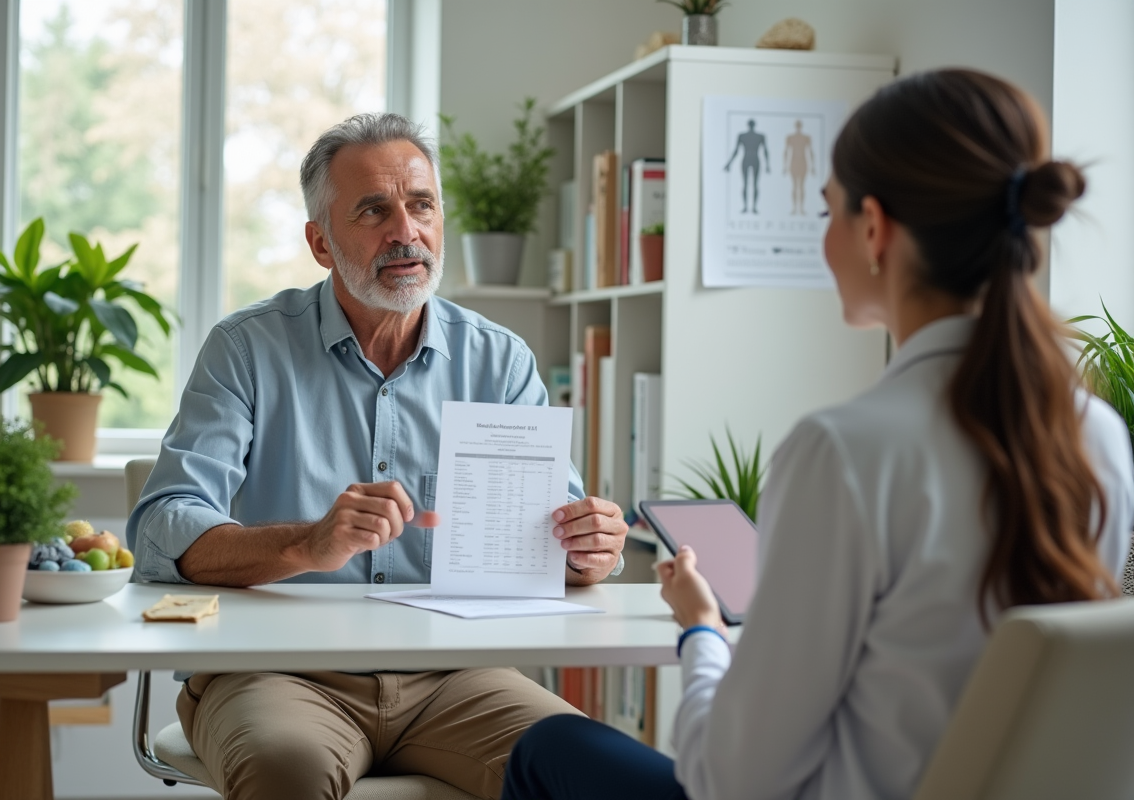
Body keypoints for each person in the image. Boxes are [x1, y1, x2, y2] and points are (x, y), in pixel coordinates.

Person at [501, 68, 1134, 800]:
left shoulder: (847, 450)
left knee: (547, 745)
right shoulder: (1100, 438)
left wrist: (702, 632)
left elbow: (730, 780)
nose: (823, 237)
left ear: (875, 228)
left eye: (825, 212)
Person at [128, 112, 628, 800]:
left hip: (457, 678)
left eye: (421, 204)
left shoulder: (500, 360)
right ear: (321, 243)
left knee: (599, 771)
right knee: (286, 772)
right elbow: (161, 528)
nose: (406, 231)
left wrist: (586, 549)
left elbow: (554, 547)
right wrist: (307, 543)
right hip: (276, 672)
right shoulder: (246, 349)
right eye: (374, 210)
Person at [723, 119, 769, 214]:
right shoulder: (742, 136)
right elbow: (736, 150)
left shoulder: (760, 136)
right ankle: (746, 207)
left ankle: (753, 207)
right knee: (747, 184)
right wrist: (729, 163)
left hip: (753, 159)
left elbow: (765, 151)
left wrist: (768, 164)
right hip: (748, 160)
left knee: (754, 185)